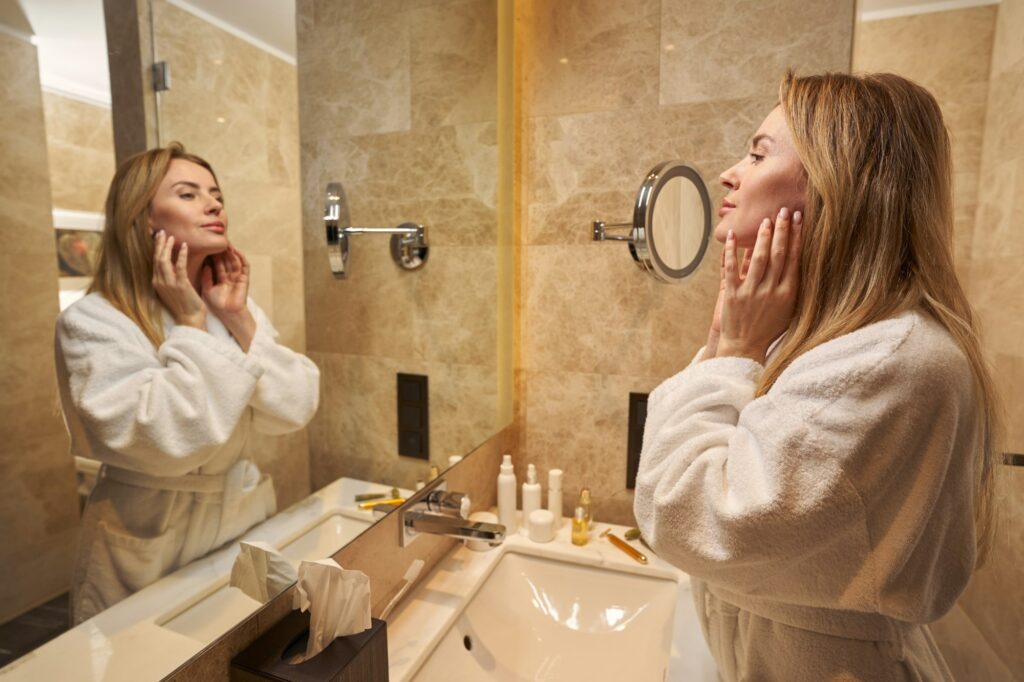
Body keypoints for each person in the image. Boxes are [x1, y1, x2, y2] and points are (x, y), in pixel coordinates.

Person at [633, 72, 999, 681]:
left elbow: (685, 516)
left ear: (839, 184)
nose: (728, 173)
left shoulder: (892, 361)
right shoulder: (835, 341)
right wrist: (734, 342)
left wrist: (736, 346)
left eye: (756, 153)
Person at [55, 143, 321, 624]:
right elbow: (174, 438)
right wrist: (191, 323)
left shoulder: (228, 306)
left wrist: (237, 318)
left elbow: (296, 406)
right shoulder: (94, 321)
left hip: (240, 518)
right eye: (189, 193)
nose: (214, 203)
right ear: (143, 219)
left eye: (215, 194)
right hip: (151, 534)